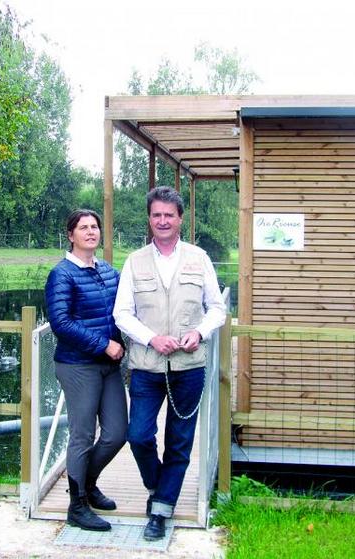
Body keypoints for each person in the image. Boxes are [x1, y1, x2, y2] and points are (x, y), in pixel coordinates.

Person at [114, 186, 226, 541]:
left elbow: (217, 309)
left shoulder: (199, 258)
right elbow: (122, 313)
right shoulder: (134, 261)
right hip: (146, 366)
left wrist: (201, 333)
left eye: (169, 215)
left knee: (179, 442)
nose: (162, 221)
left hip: (189, 367)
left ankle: (160, 510)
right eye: (156, 215)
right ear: (149, 219)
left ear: (180, 219)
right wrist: (151, 338)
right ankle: (160, 484)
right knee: (138, 435)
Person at [44, 209, 127, 532]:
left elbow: (124, 311)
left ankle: (86, 485)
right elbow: (60, 323)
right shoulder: (62, 274)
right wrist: (103, 344)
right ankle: (76, 506)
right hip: (77, 365)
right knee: (82, 435)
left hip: (108, 365)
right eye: (83, 227)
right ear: (71, 235)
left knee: (118, 432)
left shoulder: (108, 271)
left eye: (95, 227)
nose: (91, 232)